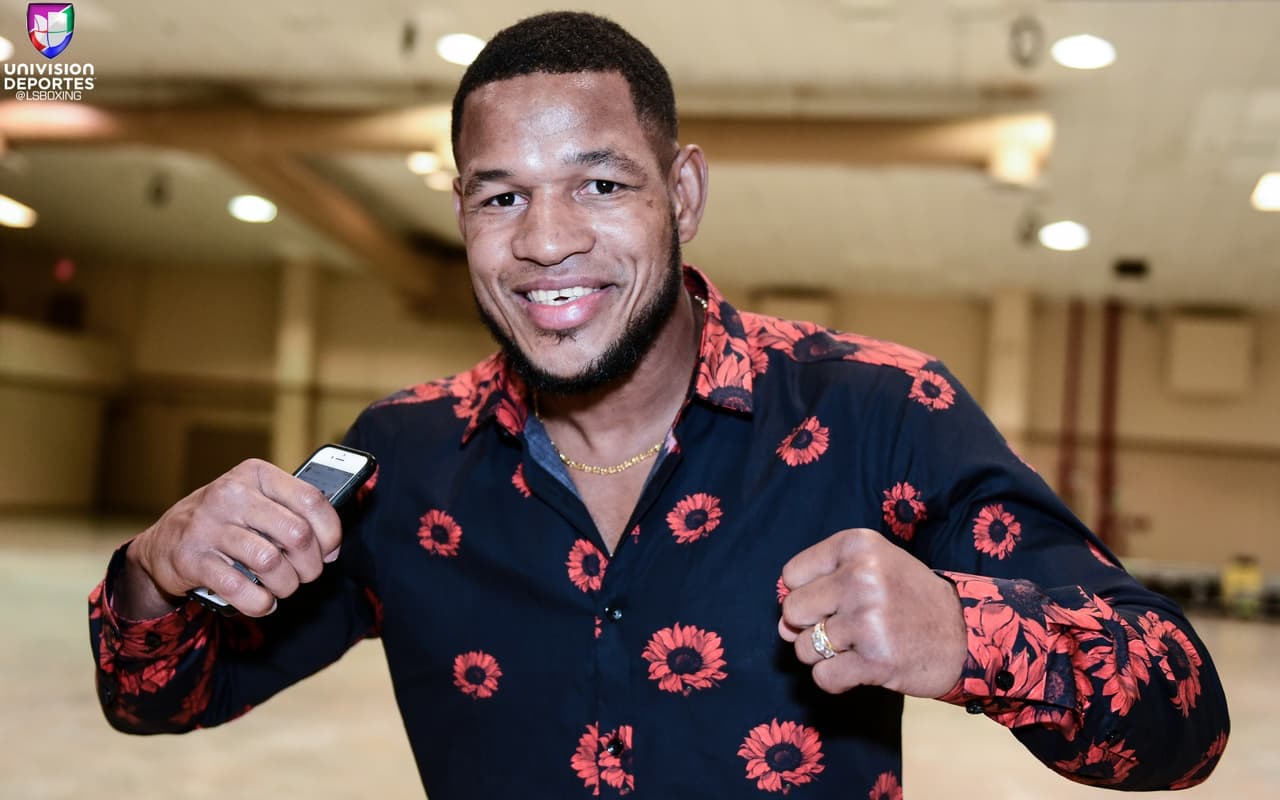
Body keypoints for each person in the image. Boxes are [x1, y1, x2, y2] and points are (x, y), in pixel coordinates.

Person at [89, 11, 1228, 798]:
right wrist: (154, 561)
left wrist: (964, 631)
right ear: (462, 220)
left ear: (679, 191)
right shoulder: (402, 460)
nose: (546, 241)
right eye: (501, 196)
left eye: (598, 182)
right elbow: (154, 699)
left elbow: (1181, 719)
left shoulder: (878, 411)